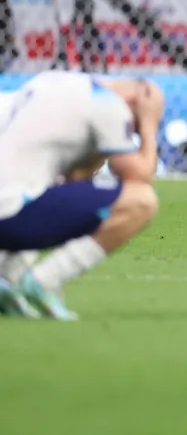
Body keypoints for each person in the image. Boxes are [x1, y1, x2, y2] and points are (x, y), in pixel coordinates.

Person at [0, 72, 164, 320]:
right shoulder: (108, 104)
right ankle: (43, 281)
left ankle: (5, 280)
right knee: (142, 200)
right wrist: (149, 127)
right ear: (138, 99)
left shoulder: (52, 82)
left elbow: (76, 179)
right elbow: (139, 176)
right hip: (11, 212)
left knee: (49, 188)